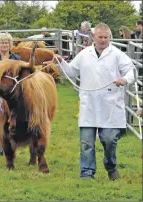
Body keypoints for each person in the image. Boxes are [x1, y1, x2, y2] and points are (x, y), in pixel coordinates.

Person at [54, 23, 136, 180]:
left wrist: (124, 79)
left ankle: (111, 166)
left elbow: (131, 71)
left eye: (106, 37)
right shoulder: (85, 54)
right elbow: (71, 71)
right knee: (86, 143)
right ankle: (87, 173)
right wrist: (60, 62)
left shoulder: (117, 54)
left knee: (110, 140)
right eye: (100, 37)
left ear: (109, 38)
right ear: (93, 37)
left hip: (110, 105)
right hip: (89, 104)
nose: (103, 40)